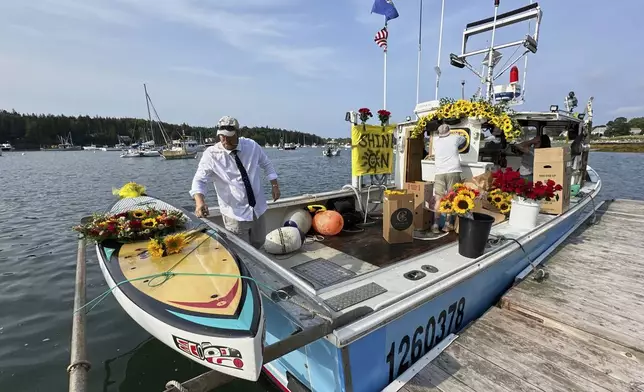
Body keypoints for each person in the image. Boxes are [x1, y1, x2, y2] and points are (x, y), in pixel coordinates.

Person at [190, 116, 281, 249]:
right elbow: (199, 180)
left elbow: (266, 164)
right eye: (222, 136)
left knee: (259, 242)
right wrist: (199, 201)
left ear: (238, 133)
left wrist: (275, 185)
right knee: (243, 251)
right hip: (235, 214)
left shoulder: (252, 146)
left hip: (257, 209)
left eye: (229, 136)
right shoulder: (211, 155)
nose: (225, 140)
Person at [431, 124, 466, 233]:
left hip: (439, 172)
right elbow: (464, 139)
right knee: (451, 197)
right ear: (449, 131)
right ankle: (447, 224)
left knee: (438, 199)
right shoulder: (455, 137)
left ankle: (435, 225)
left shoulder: (436, 141)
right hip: (453, 171)